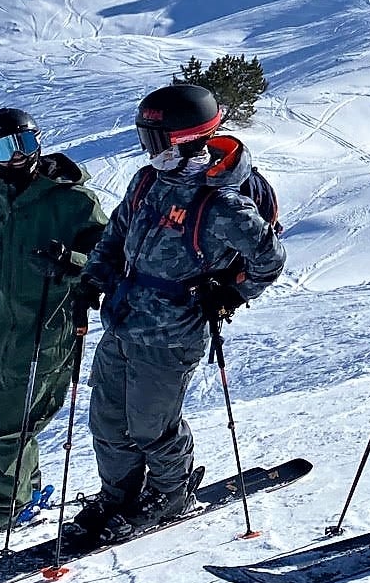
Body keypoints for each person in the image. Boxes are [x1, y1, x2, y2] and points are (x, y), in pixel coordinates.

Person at [69, 82, 286, 543]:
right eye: (145, 140)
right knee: (107, 421)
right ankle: (118, 495)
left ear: (188, 140)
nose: (150, 152)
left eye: (156, 141)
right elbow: (116, 233)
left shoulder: (223, 204)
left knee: (151, 426)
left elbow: (270, 259)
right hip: (122, 320)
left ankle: (170, 493)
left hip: (171, 335)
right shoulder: (147, 182)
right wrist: (91, 281)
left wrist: (231, 293)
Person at [0, 107, 108, 543]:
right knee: (15, 421)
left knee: (4, 429)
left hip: (50, 328)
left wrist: (71, 262)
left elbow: (109, 258)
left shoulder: (74, 202)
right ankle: (26, 489)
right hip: (3, 328)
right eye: (5, 147)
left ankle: (3, 506)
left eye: (26, 143)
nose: (18, 155)